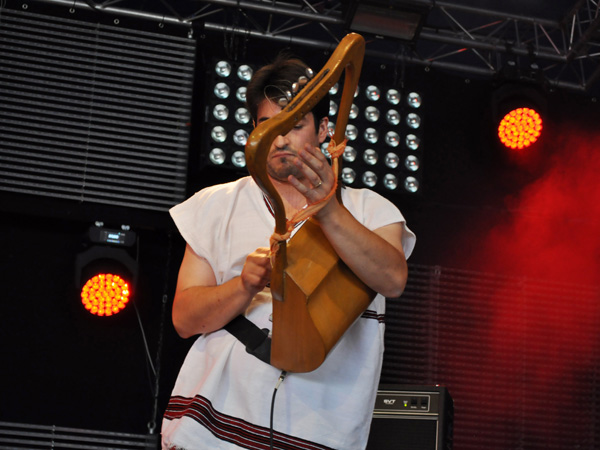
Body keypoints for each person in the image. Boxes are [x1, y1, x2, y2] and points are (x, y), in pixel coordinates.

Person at [161, 54, 416, 450]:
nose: (280, 140)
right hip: (207, 430)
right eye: (269, 128)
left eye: (294, 126)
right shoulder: (216, 204)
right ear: (254, 133)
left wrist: (329, 207)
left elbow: (394, 278)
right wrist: (242, 287)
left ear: (323, 129)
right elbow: (183, 319)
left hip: (319, 433)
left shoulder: (372, 210)